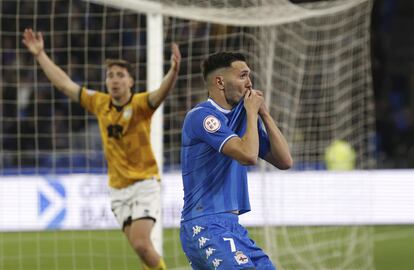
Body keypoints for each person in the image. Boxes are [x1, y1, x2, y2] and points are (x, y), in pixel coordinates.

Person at [22, 28, 181, 270]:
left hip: (145, 183)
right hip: (117, 190)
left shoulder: (140, 105)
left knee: (141, 245)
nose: (114, 79)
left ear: (130, 81)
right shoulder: (99, 102)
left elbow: (160, 94)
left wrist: (173, 71)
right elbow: (65, 84)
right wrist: (40, 54)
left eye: (120, 75)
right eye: (110, 75)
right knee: (144, 251)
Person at [180, 52, 293, 269]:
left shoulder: (244, 120)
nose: (249, 83)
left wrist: (265, 115)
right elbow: (248, 156)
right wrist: (251, 113)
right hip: (205, 225)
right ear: (220, 82)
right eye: (242, 76)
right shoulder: (202, 117)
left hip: (231, 226)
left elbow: (284, 161)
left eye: (249, 76)